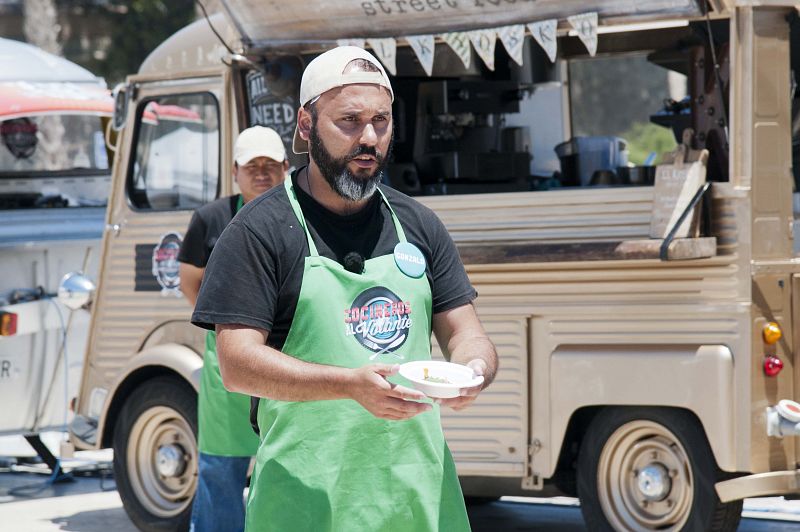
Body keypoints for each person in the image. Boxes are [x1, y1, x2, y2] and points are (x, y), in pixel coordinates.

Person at [192, 46, 498, 531]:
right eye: (349, 120)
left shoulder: (418, 224)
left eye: (380, 120)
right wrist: (347, 385)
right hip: (305, 505)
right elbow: (237, 365)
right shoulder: (259, 230)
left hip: (417, 503)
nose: (369, 137)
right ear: (307, 125)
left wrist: (473, 369)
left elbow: (467, 333)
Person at [179, 125, 288, 532]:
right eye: (252, 166)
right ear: (235, 172)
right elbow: (190, 281)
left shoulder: (301, 213)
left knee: (286, 463)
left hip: (290, 355)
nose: (262, 174)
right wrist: (231, 324)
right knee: (220, 469)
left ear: (286, 167)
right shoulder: (210, 219)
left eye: (270, 166)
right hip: (226, 360)